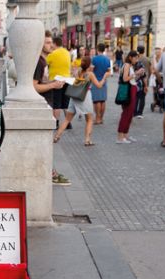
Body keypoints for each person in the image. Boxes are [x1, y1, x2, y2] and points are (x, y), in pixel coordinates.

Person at [33, 30, 70, 186]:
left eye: (51, 42)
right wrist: (53, 85)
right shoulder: (39, 63)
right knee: (45, 143)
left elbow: (41, 83)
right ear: (40, 44)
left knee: (46, 143)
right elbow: (34, 87)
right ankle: (50, 173)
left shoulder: (44, 61)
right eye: (48, 42)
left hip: (46, 104)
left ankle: (51, 171)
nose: (52, 45)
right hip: (42, 104)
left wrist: (52, 82)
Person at [53, 56, 110, 146]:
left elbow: (73, 79)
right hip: (84, 97)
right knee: (89, 119)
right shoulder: (90, 74)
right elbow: (99, 85)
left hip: (74, 96)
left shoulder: (78, 72)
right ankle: (87, 140)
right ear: (88, 65)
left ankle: (57, 136)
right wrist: (104, 77)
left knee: (67, 119)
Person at [46, 36, 73, 130]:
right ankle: (68, 123)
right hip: (67, 80)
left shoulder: (53, 54)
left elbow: (45, 62)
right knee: (66, 103)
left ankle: (56, 123)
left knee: (56, 103)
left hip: (57, 80)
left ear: (54, 43)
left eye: (51, 43)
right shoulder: (67, 53)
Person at [116, 51, 141, 144]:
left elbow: (132, 79)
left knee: (130, 114)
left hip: (132, 89)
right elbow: (125, 79)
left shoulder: (129, 66)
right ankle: (120, 137)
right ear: (130, 57)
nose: (136, 60)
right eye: (135, 58)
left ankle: (125, 135)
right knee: (126, 113)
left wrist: (137, 74)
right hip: (129, 90)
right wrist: (136, 73)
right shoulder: (126, 65)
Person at [91, 43, 111, 124]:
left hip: (96, 80)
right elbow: (109, 71)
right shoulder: (107, 59)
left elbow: (91, 70)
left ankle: (97, 118)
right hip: (104, 80)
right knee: (103, 100)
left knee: (97, 101)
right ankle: (101, 118)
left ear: (97, 49)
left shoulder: (94, 59)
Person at [134, 45, 151, 119]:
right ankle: (140, 112)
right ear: (144, 50)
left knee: (136, 96)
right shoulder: (147, 59)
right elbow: (150, 70)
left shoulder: (135, 59)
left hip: (136, 80)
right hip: (145, 79)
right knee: (142, 97)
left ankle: (134, 112)